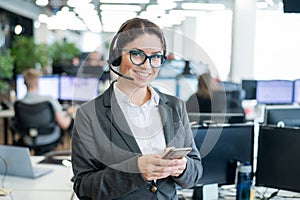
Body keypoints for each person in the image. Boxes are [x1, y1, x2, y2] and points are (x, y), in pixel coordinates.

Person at [71, 18, 203, 200]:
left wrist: (183, 168)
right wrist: (135, 171)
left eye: (156, 56)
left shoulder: (175, 106)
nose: (147, 65)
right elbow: (84, 187)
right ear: (117, 56)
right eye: (137, 54)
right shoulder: (89, 114)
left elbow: (196, 171)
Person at [15, 68, 74, 147]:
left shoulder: (18, 103)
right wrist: (69, 113)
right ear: (37, 83)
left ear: (24, 83)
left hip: (28, 140)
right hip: (49, 138)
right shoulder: (49, 100)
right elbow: (65, 124)